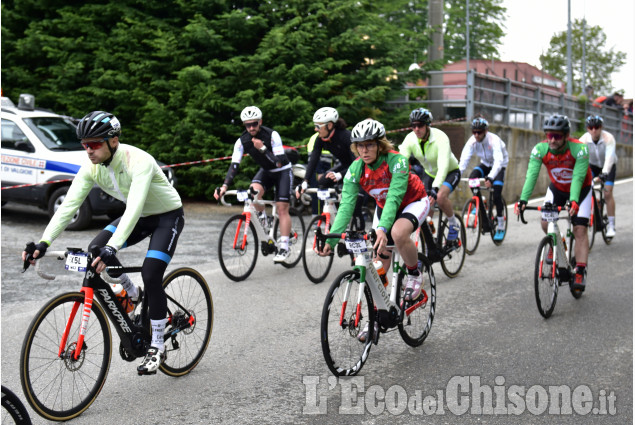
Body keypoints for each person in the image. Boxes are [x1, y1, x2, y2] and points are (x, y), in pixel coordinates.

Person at [22, 110, 184, 375]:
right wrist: (43, 243)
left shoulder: (138, 160)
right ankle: (132, 293)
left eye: (94, 144)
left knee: (152, 273)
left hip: (166, 216)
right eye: (85, 145)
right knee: (96, 248)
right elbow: (67, 208)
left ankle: (157, 345)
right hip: (141, 216)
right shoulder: (91, 168)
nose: (88, 150)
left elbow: (133, 207)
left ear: (114, 141)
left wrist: (115, 247)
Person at [317, 118, 432, 341]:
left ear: (380, 144)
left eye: (369, 144)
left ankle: (414, 273)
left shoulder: (397, 161)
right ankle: (378, 317)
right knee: (377, 267)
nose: (364, 150)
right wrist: (331, 242)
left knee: (398, 234)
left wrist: (381, 228)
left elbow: (395, 196)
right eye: (360, 145)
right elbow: (346, 207)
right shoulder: (356, 168)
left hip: (412, 201)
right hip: (384, 208)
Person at [515, 115, 593, 291]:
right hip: (557, 188)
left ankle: (580, 269)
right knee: (545, 222)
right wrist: (523, 200)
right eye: (549, 135)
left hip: (581, 190)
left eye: (556, 136)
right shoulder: (540, 149)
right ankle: (557, 242)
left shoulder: (579, 149)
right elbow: (531, 176)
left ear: (566, 136)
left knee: (579, 228)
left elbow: (578, 177)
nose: (551, 139)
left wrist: (573, 201)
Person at [214, 106, 293, 263]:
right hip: (266, 171)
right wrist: (224, 186)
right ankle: (265, 219)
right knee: (253, 193)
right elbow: (234, 165)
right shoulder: (242, 141)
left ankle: (284, 246)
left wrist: (262, 148)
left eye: (254, 124)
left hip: (282, 171)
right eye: (247, 125)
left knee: (282, 207)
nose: (251, 128)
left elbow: (279, 162)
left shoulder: (271, 135)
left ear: (260, 122)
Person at [295, 107, 365, 229]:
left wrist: (340, 175)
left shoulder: (346, 136)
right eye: (315, 126)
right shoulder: (320, 138)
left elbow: (357, 163)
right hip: (344, 166)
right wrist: (305, 181)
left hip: (358, 168)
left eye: (318, 126)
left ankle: (359, 231)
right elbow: (313, 160)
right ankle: (331, 211)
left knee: (356, 203)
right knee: (322, 181)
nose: (315, 129)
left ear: (330, 125)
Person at [399, 108, 461, 242]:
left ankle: (453, 224)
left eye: (420, 125)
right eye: (413, 125)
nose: (416, 129)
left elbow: (443, 165)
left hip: (450, 172)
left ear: (428, 125)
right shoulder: (410, 139)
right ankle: (429, 242)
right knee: (424, 206)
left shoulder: (441, 137)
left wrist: (436, 187)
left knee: (439, 197)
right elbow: (401, 161)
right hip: (429, 173)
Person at [458, 116, 510, 240]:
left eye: (479, 132)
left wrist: (491, 177)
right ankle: (480, 203)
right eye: (474, 132)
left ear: (485, 131)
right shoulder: (472, 141)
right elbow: (464, 160)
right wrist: (456, 176)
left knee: (496, 194)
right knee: (472, 178)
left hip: (499, 166)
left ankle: (501, 226)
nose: (476, 135)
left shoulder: (494, 140)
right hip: (486, 164)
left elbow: (498, 161)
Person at [579, 115, 618, 237]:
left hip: (608, 166)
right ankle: (596, 205)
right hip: (593, 166)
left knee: (607, 193)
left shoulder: (608, 138)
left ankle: (611, 225)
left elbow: (609, 157)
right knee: (585, 188)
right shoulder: (584, 139)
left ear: (601, 127)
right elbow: (578, 156)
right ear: (588, 128)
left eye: (596, 127)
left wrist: (605, 173)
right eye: (591, 127)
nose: (594, 130)